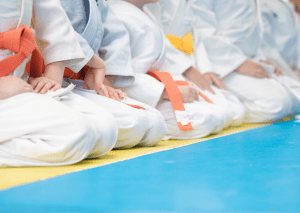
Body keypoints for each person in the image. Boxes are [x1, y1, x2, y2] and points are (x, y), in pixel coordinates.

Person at [0, 0, 118, 167]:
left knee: (105, 130)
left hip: (21, 84)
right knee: (77, 134)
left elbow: (53, 23)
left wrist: (52, 79)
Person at [107, 0, 227, 140]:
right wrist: (165, 91)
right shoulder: (118, 15)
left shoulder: (144, 12)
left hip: (150, 89)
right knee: (206, 118)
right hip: (133, 92)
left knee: (217, 114)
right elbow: (115, 77)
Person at [60, 0, 168, 148]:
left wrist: (106, 78)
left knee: (155, 124)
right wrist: (90, 62)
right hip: (51, 76)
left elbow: (114, 35)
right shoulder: (121, 10)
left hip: (85, 78)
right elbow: (53, 27)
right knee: (124, 125)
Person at [189, 0, 300, 122]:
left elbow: (250, 31)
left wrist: (261, 57)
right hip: (220, 64)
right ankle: (230, 110)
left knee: (296, 100)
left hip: (249, 59)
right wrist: (238, 62)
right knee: (277, 104)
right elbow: (201, 26)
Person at [144, 0, 245, 128]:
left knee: (235, 110)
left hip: (189, 61)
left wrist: (206, 68)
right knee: (219, 115)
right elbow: (154, 34)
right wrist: (186, 68)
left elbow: (194, 33)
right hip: (167, 66)